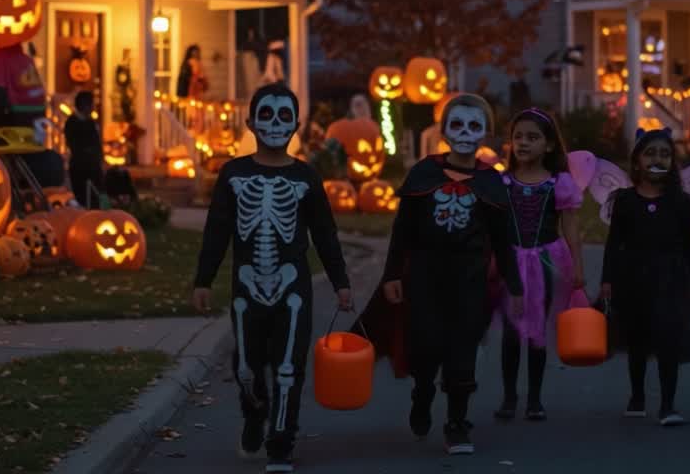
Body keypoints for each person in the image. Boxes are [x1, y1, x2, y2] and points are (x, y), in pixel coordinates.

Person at [192, 83, 352, 473]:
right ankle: (253, 413)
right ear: (250, 122)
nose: (276, 123)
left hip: (292, 285)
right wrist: (203, 279)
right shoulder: (233, 173)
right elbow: (217, 230)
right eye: (267, 115)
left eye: (285, 116)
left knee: (288, 365)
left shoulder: (306, 177)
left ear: (296, 125)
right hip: (246, 283)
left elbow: (324, 232)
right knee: (247, 365)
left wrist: (340, 281)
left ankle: (281, 442)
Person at [358, 93, 523, 456]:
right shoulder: (424, 173)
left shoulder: (491, 182)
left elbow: (502, 238)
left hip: (469, 280)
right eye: (457, 125)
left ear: (486, 133)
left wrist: (515, 285)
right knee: (426, 346)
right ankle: (423, 392)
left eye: (474, 126)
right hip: (425, 276)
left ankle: (457, 423)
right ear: (445, 129)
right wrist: (392, 276)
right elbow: (403, 230)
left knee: (462, 349)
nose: (465, 133)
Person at [599, 127, 690, 427]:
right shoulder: (626, 201)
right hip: (632, 278)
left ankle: (668, 404)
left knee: (668, 339)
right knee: (637, 339)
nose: (658, 159)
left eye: (665, 154)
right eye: (651, 153)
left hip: (670, 278)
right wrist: (607, 281)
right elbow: (614, 243)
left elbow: (688, 246)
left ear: (672, 162)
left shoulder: (680, 202)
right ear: (637, 161)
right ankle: (637, 396)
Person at [491, 108, 583, 422]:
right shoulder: (502, 182)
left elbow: (571, 226)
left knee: (537, 330)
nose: (524, 143)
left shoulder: (559, 183)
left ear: (549, 145)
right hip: (510, 261)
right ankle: (509, 396)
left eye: (532, 137)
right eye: (518, 137)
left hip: (546, 260)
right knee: (511, 332)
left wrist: (578, 268)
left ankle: (534, 397)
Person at [64, 91, 104, 206]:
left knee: (98, 193)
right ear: (84, 105)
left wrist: (98, 157)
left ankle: (101, 209)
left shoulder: (91, 122)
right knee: (81, 194)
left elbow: (96, 143)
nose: (93, 108)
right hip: (80, 165)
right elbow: (73, 143)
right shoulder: (72, 123)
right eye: (91, 104)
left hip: (94, 165)